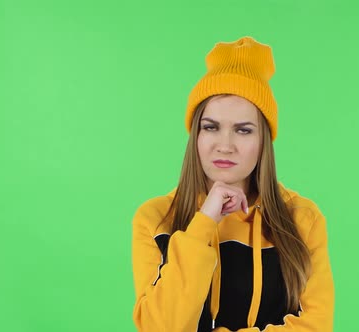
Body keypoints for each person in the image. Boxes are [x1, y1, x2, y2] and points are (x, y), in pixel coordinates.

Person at [131, 36, 334, 332]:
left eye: (243, 130)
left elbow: (316, 327)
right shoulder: (155, 219)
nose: (225, 146)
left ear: (263, 140)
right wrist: (204, 222)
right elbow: (160, 327)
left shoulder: (303, 219)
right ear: (196, 136)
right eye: (211, 127)